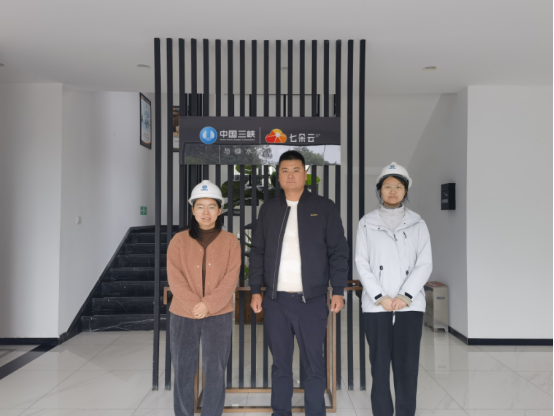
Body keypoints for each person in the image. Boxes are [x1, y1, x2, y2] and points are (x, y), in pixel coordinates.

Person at [249, 151, 349, 416]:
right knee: (280, 364)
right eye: (284, 170)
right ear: (278, 176)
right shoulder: (269, 209)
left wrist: (338, 290)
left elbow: (338, 251)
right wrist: (256, 291)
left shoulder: (324, 207)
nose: (290, 175)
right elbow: (257, 251)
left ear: (305, 174)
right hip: (276, 301)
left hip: (312, 301)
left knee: (314, 364)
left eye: (296, 170)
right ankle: (281, 412)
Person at [355, 162, 432, 416]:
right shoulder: (366, 223)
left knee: (407, 368)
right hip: (376, 307)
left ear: (405, 190)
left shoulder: (418, 223)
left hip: (409, 307)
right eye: (387, 186)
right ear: (379, 189)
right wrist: (380, 297)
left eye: (398, 186)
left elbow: (425, 263)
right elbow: (361, 263)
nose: (392, 191)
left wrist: (405, 296)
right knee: (379, 368)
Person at [167, 180, 241, 416]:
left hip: (218, 314)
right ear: (193, 210)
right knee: (183, 369)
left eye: (211, 207)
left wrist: (208, 305)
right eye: (200, 206)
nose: (206, 212)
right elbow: (174, 278)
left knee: (215, 369)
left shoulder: (230, 241)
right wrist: (194, 305)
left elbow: (231, 278)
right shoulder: (178, 240)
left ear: (219, 210)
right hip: (182, 314)